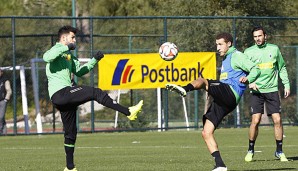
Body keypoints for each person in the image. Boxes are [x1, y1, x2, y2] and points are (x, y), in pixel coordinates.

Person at [43, 25, 143, 171]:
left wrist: (95, 60)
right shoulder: (56, 49)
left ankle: (69, 168)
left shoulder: (70, 55)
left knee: (71, 133)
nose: (75, 40)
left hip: (66, 97)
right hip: (60, 93)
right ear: (64, 38)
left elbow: (79, 71)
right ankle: (128, 111)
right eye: (72, 37)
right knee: (95, 92)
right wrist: (66, 47)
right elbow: (47, 57)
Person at [166, 32, 260, 171]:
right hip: (225, 100)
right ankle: (220, 165)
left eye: (220, 44)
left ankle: (184, 89)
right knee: (206, 132)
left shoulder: (236, 56)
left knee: (204, 81)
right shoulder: (226, 58)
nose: (218, 47)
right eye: (216, 44)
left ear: (229, 44)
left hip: (231, 92)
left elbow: (255, 69)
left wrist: (249, 78)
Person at [244, 26, 290, 162]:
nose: (257, 39)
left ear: (265, 36)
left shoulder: (274, 49)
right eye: (255, 37)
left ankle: (279, 151)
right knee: (255, 121)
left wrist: (286, 84)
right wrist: (249, 82)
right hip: (256, 92)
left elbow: (281, 67)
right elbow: (243, 70)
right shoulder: (248, 52)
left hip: (272, 90)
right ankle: (250, 150)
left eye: (259, 36)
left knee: (278, 120)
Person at [0, 68, 12, 135]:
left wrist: (6, 99)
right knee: (2, 118)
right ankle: (4, 133)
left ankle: (0, 131)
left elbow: (9, 90)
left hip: (2, 101)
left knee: (1, 117)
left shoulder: (5, 80)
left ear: (1, 72)